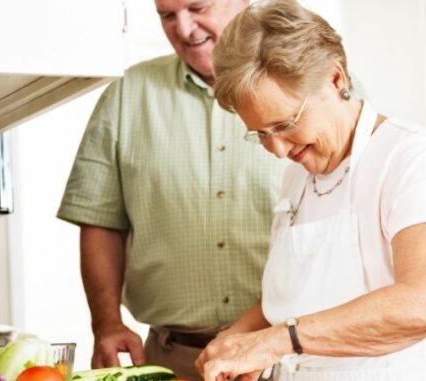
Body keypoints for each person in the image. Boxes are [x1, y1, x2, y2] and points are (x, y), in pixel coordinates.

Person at [195, 0, 426, 380]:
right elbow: (299, 294)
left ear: (335, 79)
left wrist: (274, 341)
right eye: (261, 135)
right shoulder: (298, 176)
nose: (279, 150)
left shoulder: (413, 156)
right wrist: (239, 337)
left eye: (285, 124)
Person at [57, 0, 286, 380]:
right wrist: (107, 323)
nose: (183, 28)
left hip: (287, 357)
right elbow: (100, 221)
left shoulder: (308, 87)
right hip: (174, 362)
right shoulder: (127, 95)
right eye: (167, 14)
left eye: (197, 7)